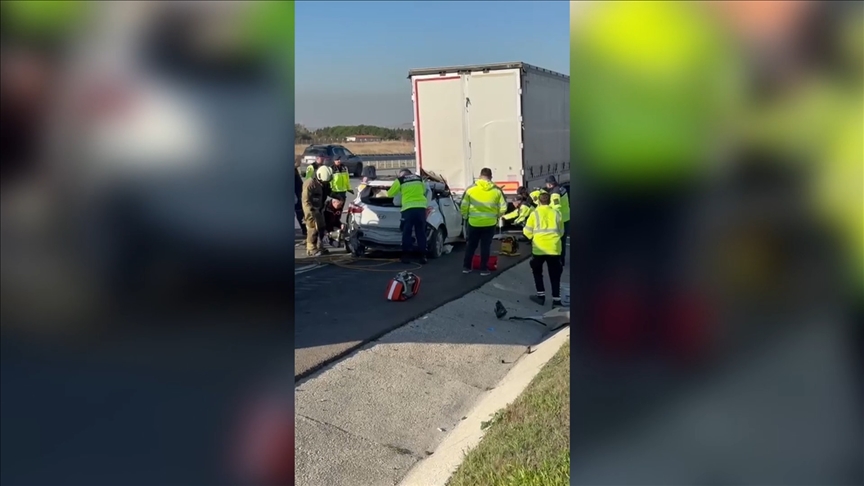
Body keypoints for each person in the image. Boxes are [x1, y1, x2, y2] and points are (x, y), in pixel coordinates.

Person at [461, 167, 507, 275]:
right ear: (491, 177)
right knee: (485, 246)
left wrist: (465, 217)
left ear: (480, 176)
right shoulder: (497, 190)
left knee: (471, 245)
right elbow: (503, 207)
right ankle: (483, 269)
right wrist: (497, 216)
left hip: (474, 222)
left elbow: (463, 206)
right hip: (490, 223)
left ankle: (466, 267)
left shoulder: (471, 189)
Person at [524, 192, 565, 307]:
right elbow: (561, 231)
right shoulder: (557, 213)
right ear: (550, 201)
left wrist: (533, 237)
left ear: (538, 201)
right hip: (554, 248)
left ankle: (540, 296)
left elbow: (527, 232)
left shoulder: (534, 214)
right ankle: (556, 300)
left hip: (539, 249)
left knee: (537, 272)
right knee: (555, 275)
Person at [386, 168, 429, 264]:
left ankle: (406, 257)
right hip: (420, 208)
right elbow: (424, 190)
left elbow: (390, 194)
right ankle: (422, 257)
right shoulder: (419, 178)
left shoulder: (400, 180)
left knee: (407, 233)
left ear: (401, 175)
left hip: (408, 210)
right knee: (421, 233)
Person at [302, 165, 332, 256]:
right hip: (311, 209)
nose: (325, 183)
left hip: (319, 208)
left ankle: (320, 246)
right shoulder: (310, 184)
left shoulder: (324, 182)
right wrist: (310, 212)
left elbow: (327, 192)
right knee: (312, 228)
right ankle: (311, 249)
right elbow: (305, 200)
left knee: (321, 227)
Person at [545, 176, 571, 265]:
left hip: (561, 220)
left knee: (558, 241)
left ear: (549, 184)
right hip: (566, 217)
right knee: (562, 241)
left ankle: (559, 260)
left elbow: (557, 207)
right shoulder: (561, 188)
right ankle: (561, 260)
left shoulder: (555, 194)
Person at [294, 155, 306, 237]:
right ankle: (304, 229)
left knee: (300, 213)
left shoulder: (295, 171)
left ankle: (304, 229)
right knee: (299, 212)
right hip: (296, 195)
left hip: (298, 195)